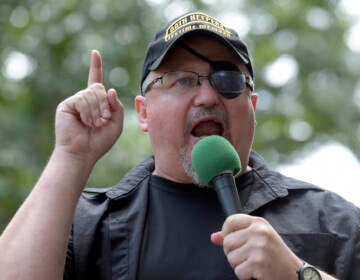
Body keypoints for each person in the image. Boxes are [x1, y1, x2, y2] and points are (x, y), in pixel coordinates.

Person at [0, 11, 359, 280]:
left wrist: (298, 274)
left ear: (252, 107)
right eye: (182, 80)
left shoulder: (333, 221)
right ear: (143, 113)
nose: (207, 95)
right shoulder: (87, 225)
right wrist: (71, 156)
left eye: (227, 78)